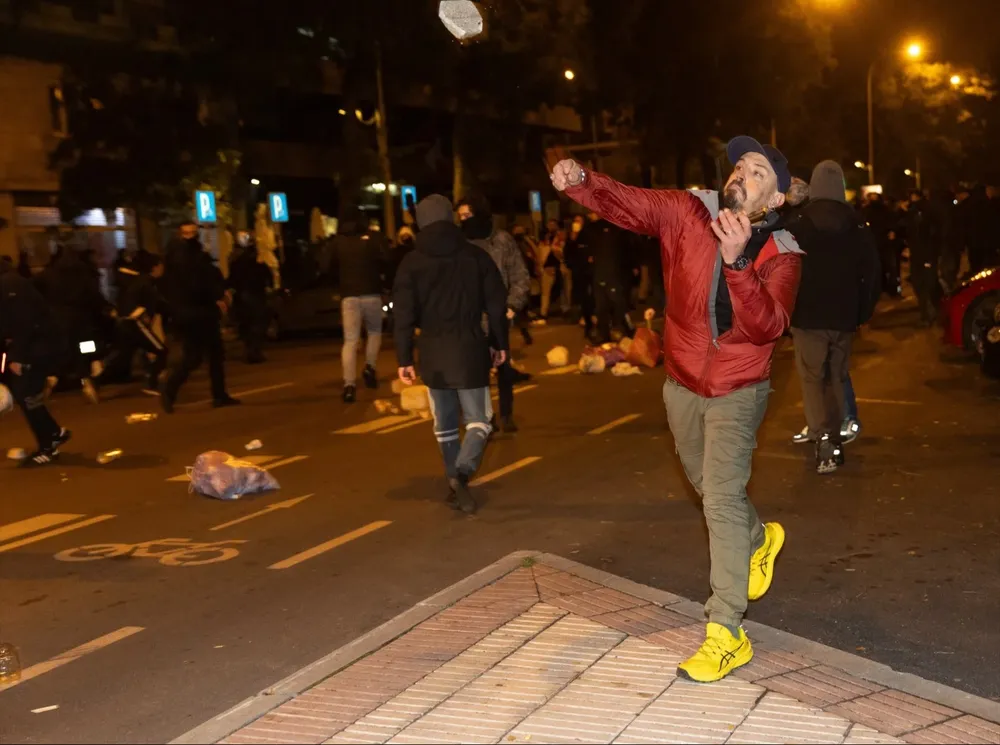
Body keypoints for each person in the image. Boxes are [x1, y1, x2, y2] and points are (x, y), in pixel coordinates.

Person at [551, 135, 802, 683]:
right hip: (683, 382)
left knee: (722, 500)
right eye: (740, 166)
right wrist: (583, 181)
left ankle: (726, 632)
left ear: (775, 198)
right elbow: (632, 203)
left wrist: (737, 265)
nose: (742, 175)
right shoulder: (690, 213)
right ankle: (760, 540)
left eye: (758, 172)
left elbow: (767, 327)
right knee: (707, 487)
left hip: (739, 389)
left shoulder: (781, 253)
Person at [393, 195, 509, 515]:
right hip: (470, 347)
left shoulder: (410, 262)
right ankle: (462, 472)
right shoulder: (475, 256)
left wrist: (404, 359)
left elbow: (402, 314)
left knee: (443, 424)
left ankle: (452, 478)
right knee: (479, 421)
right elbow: (496, 304)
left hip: (432, 352)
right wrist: (500, 344)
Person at [785, 161, 880, 474]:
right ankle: (838, 433)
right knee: (837, 375)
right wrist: (862, 311)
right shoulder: (857, 223)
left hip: (808, 313)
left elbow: (784, 269)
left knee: (812, 378)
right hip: (843, 315)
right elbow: (872, 271)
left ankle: (824, 440)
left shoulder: (799, 222)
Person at [457, 196, 531, 434]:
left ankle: (506, 414)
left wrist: (512, 305)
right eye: (460, 217)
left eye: (467, 215)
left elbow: (519, 275)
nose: (464, 220)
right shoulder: (459, 243)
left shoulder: (501, 241)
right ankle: (481, 419)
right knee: (475, 370)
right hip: (470, 318)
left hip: (498, 315)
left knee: (503, 366)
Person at [160, 222, 239, 413]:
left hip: (190, 313)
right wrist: (216, 294)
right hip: (198, 313)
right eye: (189, 233)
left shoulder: (175, 258)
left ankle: (217, 394)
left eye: (194, 232)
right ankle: (171, 389)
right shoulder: (190, 259)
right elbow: (199, 285)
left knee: (210, 355)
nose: (192, 236)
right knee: (199, 356)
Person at [0, 270, 72, 466]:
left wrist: (17, 357)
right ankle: (53, 435)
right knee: (26, 393)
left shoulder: (10, 284)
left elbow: (24, 322)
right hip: (34, 346)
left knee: (26, 393)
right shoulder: (8, 283)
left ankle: (50, 441)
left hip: (37, 348)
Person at [35, 243, 108, 404]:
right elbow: (95, 298)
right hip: (83, 323)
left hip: (58, 322)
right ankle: (88, 379)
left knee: (63, 352)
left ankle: (51, 378)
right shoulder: (84, 275)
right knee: (86, 351)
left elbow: (36, 292)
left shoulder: (48, 275)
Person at [332, 212, 388, 403]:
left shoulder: (338, 242)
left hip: (349, 295)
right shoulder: (372, 239)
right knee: (374, 332)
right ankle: (370, 366)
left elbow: (327, 266)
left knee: (350, 340)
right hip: (371, 293)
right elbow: (385, 259)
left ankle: (349, 385)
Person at [96, 254, 168, 393]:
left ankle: (96, 381)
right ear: (155, 267)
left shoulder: (139, 281)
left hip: (127, 323)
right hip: (135, 323)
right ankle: (153, 384)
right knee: (161, 351)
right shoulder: (146, 283)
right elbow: (155, 303)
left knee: (123, 355)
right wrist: (140, 314)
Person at [579, 211, 630, 343]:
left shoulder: (611, 229)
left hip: (610, 274)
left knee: (616, 303)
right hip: (600, 274)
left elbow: (619, 250)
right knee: (602, 306)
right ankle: (605, 334)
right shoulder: (592, 230)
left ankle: (622, 330)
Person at [228, 232, 273, 364]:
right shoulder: (256, 263)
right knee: (257, 324)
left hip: (242, 296)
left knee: (247, 324)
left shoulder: (236, 262)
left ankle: (251, 350)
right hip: (254, 295)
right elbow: (266, 276)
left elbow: (232, 280)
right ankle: (254, 351)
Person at [903, 189, 943, 326]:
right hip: (921, 253)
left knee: (926, 284)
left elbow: (932, 233)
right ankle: (928, 313)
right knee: (922, 284)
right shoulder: (914, 212)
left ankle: (930, 313)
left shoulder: (924, 211)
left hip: (924, 253)